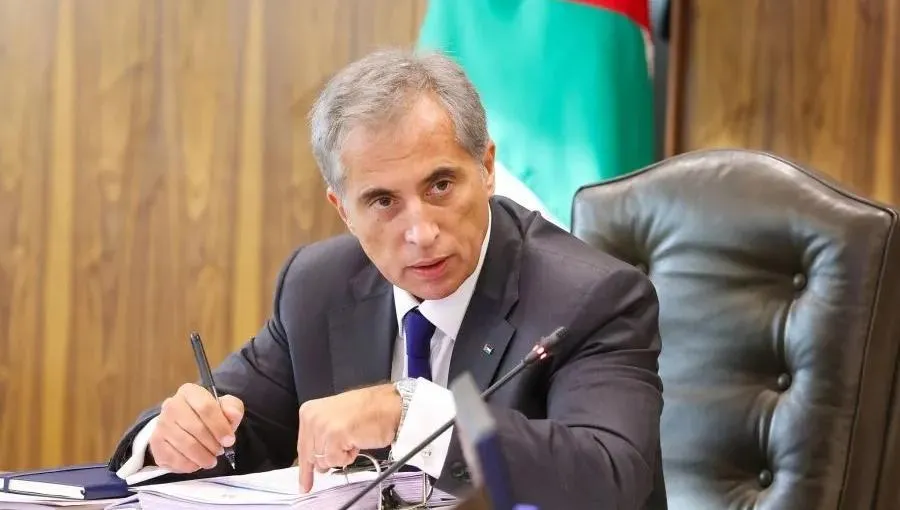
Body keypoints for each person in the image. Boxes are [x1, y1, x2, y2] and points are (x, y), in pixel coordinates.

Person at [108, 48, 667, 509]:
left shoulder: (590, 297)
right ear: (343, 210)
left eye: (440, 185)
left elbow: (611, 475)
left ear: (487, 167)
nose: (420, 232)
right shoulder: (317, 286)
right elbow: (240, 433)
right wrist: (173, 437)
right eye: (382, 201)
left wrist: (409, 414)